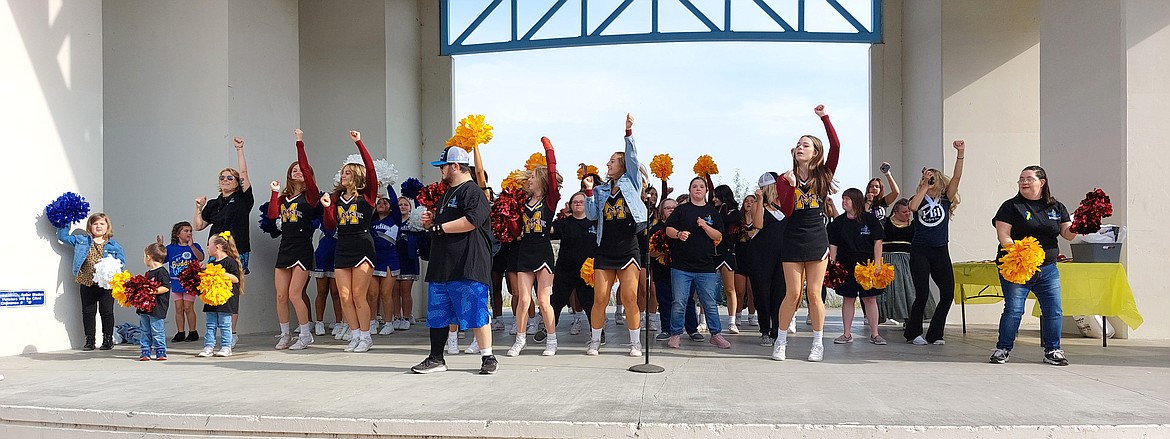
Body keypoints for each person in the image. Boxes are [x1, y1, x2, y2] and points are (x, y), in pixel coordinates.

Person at [411, 146, 498, 375]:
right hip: (443, 264)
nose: (441, 172)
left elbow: (472, 220)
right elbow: (442, 227)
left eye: (443, 167)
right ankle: (436, 358)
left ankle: (488, 357)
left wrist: (439, 227)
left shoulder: (473, 192)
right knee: (438, 313)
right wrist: (431, 223)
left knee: (476, 310)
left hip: (467, 263)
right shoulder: (447, 193)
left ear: (456, 166)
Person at [990, 166, 1075, 366]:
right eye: (1021, 179)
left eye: (1028, 178)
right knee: (1014, 309)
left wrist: (1082, 225)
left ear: (1042, 182)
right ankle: (1003, 348)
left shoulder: (1056, 207)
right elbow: (1004, 235)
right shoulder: (1011, 206)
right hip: (1017, 267)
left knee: (1053, 309)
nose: (1024, 182)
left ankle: (1053, 350)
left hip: (1048, 269)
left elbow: (1068, 234)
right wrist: (1020, 254)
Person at [776, 104, 839, 362]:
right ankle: (780, 342)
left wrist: (824, 118)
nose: (801, 147)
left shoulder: (824, 174)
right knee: (793, 293)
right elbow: (788, 210)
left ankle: (817, 343)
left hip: (816, 236)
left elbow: (836, 147)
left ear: (815, 153)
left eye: (806, 145)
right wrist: (791, 187)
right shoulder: (784, 178)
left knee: (814, 293)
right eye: (798, 144)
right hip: (792, 237)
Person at [583, 113, 648, 357]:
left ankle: (634, 342)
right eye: (609, 161)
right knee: (599, 297)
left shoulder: (631, 182)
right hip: (605, 248)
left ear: (621, 165)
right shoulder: (600, 190)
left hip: (628, 247)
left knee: (629, 296)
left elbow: (632, 158)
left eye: (612, 161)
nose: (608, 164)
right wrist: (589, 193)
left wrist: (628, 133)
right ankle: (595, 340)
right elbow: (591, 216)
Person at [321, 130, 379, 353]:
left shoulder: (368, 195)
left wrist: (359, 143)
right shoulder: (336, 198)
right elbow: (329, 226)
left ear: (356, 175)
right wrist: (327, 208)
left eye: (346, 172)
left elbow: (371, 169)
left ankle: (366, 336)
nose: (342, 175)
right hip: (342, 246)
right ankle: (355, 335)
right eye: (341, 172)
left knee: (357, 295)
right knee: (344, 296)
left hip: (363, 245)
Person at [903, 140, 965, 346]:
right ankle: (913, 333)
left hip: (940, 250)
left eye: (930, 178)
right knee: (921, 294)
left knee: (947, 293)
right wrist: (923, 186)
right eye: (924, 177)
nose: (927, 180)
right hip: (920, 249)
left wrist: (960, 153)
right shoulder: (918, 197)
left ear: (937, 179)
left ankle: (935, 333)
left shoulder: (946, 198)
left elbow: (956, 177)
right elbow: (911, 208)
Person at [194, 137, 253, 339]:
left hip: (236, 250)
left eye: (230, 178)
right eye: (222, 178)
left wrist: (239, 149)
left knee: (231, 290)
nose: (225, 180)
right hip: (216, 252)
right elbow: (199, 225)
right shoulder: (214, 203)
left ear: (237, 183)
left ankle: (232, 333)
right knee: (213, 288)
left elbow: (244, 173)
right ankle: (214, 334)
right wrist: (198, 208)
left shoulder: (243, 199)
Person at [509, 138, 562, 356]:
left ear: (540, 179)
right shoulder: (523, 202)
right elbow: (514, 230)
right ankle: (520, 339)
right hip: (525, 251)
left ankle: (552, 339)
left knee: (543, 300)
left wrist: (549, 149)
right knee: (522, 299)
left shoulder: (551, 200)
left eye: (532, 177)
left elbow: (551, 171)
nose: (529, 180)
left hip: (543, 251)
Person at [267, 128, 319, 350]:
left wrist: (299, 143)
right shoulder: (284, 198)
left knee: (295, 294)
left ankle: (305, 334)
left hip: (302, 246)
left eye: (300, 170)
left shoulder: (311, 196)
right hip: (285, 246)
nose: (298, 172)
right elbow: (271, 215)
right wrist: (273, 193)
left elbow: (305, 168)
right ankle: (285, 333)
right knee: (280, 295)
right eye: (294, 170)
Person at [664, 177, 730, 349]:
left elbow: (718, 236)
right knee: (679, 301)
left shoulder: (712, 212)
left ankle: (716, 334)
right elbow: (668, 229)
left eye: (701, 186)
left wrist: (705, 226)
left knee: (709, 302)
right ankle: (676, 334)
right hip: (681, 266)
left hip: (706, 266)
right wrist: (678, 234)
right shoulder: (681, 210)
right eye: (695, 186)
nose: (698, 189)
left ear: (706, 191)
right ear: (690, 189)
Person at [57, 213, 126, 351]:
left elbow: (121, 263)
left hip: (105, 284)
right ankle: (89, 340)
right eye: (95, 224)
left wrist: (113, 270)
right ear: (90, 226)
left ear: (107, 227)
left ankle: (107, 339)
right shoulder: (81, 240)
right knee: (88, 312)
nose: (98, 226)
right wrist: (65, 219)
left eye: (102, 224)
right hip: (87, 282)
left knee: (107, 312)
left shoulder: (114, 245)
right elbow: (63, 237)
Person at [828, 188, 887, 345]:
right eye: (843, 199)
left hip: (866, 266)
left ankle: (875, 334)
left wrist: (878, 264)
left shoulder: (870, 219)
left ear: (856, 200)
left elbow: (878, 242)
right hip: (846, 267)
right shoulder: (838, 223)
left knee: (870, 299)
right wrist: (832, 266)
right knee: (848, 298)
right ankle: (846, 334)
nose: (844, 202)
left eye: (847, 199)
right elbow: (833, 245)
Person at [748, 173, 796, 347]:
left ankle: (778, 329)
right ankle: (765, 330)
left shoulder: (784, 205)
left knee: (780, 292)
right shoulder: (757, 204)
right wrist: (760, 200)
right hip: (761, 254)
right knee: (762, 292)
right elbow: (758, 224)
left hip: (782, 254)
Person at [878, 199, 934, 325]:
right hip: (888, 260)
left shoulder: (914, 225)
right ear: (895, 211)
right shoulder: (885, 223)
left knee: (911, 289)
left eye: (908, 212)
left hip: (908, 260)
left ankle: (910, 320)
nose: (907, 214)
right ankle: (881, 315)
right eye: (904, 212)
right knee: (887, 291)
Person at [550, 191, 597, 337]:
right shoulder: (563, 223)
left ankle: (596, 332)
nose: (577, 203)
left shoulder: (595, 222)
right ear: (570, 205)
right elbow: (549, 230)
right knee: (557, 302)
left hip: (588, 272)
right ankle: (549, 330)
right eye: (574, 201)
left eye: (581, 201)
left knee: (590, 304)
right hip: (565, 270)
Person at [198, 232, 242, 358]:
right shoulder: (212, 263)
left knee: (225, 324)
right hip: (211, 299)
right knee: (210, 324)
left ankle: (226, 346)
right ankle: (208, 346)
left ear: (217, 246)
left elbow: (235, 279)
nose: (207, 247)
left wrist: (220, 273)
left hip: (225, 300)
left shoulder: (230, 262)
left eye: (208, 244)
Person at [162, 222, 203, 342]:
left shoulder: (194, 246)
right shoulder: (170, 248)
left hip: (189, 283)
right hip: (175, 282)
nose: (189, 233)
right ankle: (180, 332)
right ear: (177, 234)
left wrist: (191, 247)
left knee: (188, 307)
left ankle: (192, 331)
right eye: (186, 231)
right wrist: (160, 247)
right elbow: (161, 259)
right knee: (178, 308)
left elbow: (200, 257)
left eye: (190, 231)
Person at [370, 186, 402, 336]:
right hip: (373, 258)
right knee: (371, 293)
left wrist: (388, 185)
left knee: (385, 293)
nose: (381, 204)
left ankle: (389, 322)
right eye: (379, 202)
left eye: (385, 202)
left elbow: (395, 202)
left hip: (390, 258)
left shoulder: (395, 218)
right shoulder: (371, 220)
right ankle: (371, 321)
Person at [711, 184, 742, 334]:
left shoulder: (734, 212)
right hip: (712, 252)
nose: (713, 199)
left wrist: (722, 207)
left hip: (728, 251)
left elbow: (724, 222)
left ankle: (732, 321)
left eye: (717, 196)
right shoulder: (712, 209)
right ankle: (703, 320)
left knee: (730, 288)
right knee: (707, 289)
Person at [392, 195, 425, 330]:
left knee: (405, 291)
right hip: (394, 258)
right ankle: (396, 316)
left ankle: (406, 317)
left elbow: (420, 206)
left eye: (406, 204)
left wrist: (416, 194)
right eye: (400, 205)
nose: (403, 207)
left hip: (409, 259)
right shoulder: (393, 221)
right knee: (394, 291)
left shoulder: (414, 221)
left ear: (410, 208)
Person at [138, 243, 172, 361]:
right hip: (145, 308)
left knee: (157, 330)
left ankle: (160, 351)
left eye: (144, 256)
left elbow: (166, 287)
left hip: (157, 307)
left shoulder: (162, 272)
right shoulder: (148, 273)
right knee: (144, 330)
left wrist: (151, 291)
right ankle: (145, 351)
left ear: (149, 256)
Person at [312, 219, 342, 337]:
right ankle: (319, 322)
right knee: (322, 291)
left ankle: (339, 322)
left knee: (336, 292)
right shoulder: (322, 216)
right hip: (322, 256)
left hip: (338, 256)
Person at [734, 195, 758, 327]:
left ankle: (751, 315)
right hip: (740, 257)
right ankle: (737, 315)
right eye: (746, 201)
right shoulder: (738, 220)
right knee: (740, 291)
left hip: (754, 259)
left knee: (751, 290)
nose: (749, 203)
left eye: (752, 201)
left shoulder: (759, 219)